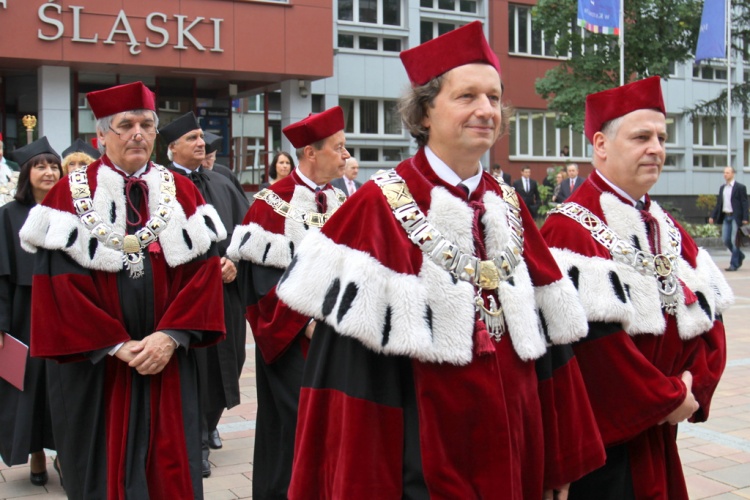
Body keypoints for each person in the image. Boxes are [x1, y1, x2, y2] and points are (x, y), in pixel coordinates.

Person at [275, 21, 604, 499]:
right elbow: (349, 382)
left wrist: (561, 460)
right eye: (467, 96)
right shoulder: (375, 206)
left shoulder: (509, 205)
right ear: (425, 111)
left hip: (517, 457)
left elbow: (551, 348)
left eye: (494, 97)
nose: (486, 110)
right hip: (421, 467)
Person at [19, 81, 227, 499]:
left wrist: (172, 336)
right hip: (96, 366)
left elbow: (204, 275)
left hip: (168, 360)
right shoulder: (67, 195)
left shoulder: (183, 192)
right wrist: (114, 343)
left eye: (146, 125)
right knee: (100, 472)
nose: (138, 134)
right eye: (126, 125)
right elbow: (58, 287)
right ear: (102, 135)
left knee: (170, 470)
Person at [542, 76, 730, 500]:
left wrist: (694, 384)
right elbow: (593, 352)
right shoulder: (567, 229)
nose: (656, 148)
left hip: (660, 436)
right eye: (642, 137)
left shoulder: (668, 227)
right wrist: (668, 397)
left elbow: (710, 319)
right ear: (601, 145)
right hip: (604, 449)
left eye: (662, 138)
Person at [226, 106, 349, 499]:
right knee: (293, 430)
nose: (346, 155)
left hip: (341, 338)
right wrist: (309, 324)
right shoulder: (270, 204)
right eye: (339, 147)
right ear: (311, 152)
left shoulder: (341, 200)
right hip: (294, 342)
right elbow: (262, 285)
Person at [160, 111, 250, 478]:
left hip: (226, 293)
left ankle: (210, 421)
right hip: (186, 294)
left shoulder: (222, 181)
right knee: (196, 365)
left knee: (231, 360)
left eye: (201, 137)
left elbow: (247, 231)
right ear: (172, 147)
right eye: (192, 138)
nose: (201, 143)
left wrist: (234, 262)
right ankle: (194, 438)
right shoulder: (161, 186)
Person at [0, 137, 60, 487]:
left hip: (65, 311)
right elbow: (1, 275)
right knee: (29, 387)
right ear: (26, 173)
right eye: (41, 166)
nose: (49, 172)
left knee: (65, 384)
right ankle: (36, 451)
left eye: (54, 166)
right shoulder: (8, 215)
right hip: (24, 314)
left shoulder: (70, 212)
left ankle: (66, 452)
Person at [709, 166, 749, 271]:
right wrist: (713, 216)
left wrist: (745, 217)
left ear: (732, 174)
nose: (725, 174)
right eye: (724, 172)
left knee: (734, 240)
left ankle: (734, 264)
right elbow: (719, 204)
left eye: (727, 173)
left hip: (736, 217)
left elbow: (745, 203)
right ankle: (740, 255)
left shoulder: (740, 187)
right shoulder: (723, 188)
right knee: (726, 240)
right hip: (726, 216)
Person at [202, 131, 246, 198]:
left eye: (209, 158)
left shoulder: (225, 174)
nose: (204, 164)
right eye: (200, 159)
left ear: (215, 156)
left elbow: (239, 200)